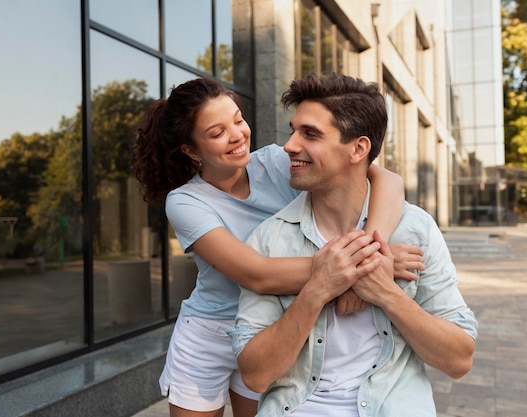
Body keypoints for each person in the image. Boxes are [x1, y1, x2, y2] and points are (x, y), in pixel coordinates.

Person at [131, 77, 424, 417]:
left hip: (269, 327)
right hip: (209, 332)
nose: (237, 134)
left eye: (238, 119)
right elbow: (257, 274)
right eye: (217, 132)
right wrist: (357, 267)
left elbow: (388, 179)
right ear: (192, 150)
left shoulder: (275, 161)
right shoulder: (185, 202)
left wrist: (372, 250)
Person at [230, 73, 478, 417]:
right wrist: (317, 290)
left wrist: (384, 292)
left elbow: (459, 360)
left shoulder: (414, 230)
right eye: (293, 130)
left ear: (358, 149)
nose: (289, 145)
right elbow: (254, 375)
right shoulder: (270, 238)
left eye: (310, 134)